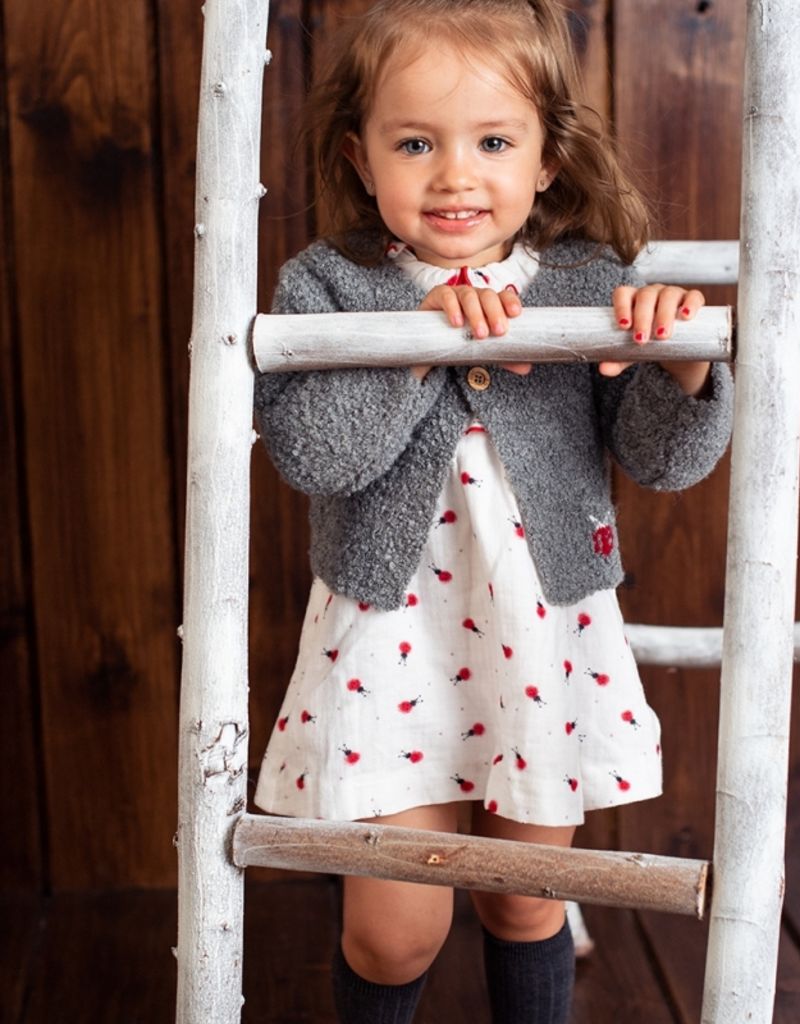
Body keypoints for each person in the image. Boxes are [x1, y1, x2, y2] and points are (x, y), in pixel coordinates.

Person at [252, 1, 733, 1021]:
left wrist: (682, 361)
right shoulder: (330, 285)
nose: (455, 174)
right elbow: (315, 456)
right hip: (390, 634)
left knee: (524, 899)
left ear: (546, 159)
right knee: (393, 931)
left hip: (543, 631)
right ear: (361, 154)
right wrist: (419, 339)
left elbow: (663, 459)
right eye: (416, 143)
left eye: (493, 142)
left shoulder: (587, 280)